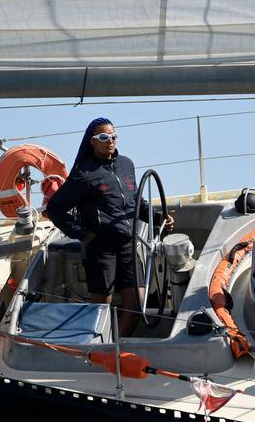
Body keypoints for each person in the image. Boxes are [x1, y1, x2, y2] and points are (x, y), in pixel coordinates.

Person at [45, 117, 173, 336]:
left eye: (113, 136)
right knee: (102, 306)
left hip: (128, 244)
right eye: (103, 137)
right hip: (100, 247)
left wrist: (159, 217)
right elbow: (55, 209)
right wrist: (83, 235)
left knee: (137, 301)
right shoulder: (84, 174)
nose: (110, 141)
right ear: (92, 142)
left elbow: (136, 203)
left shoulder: (127, 165)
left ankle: (114, 346)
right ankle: (99, 348)